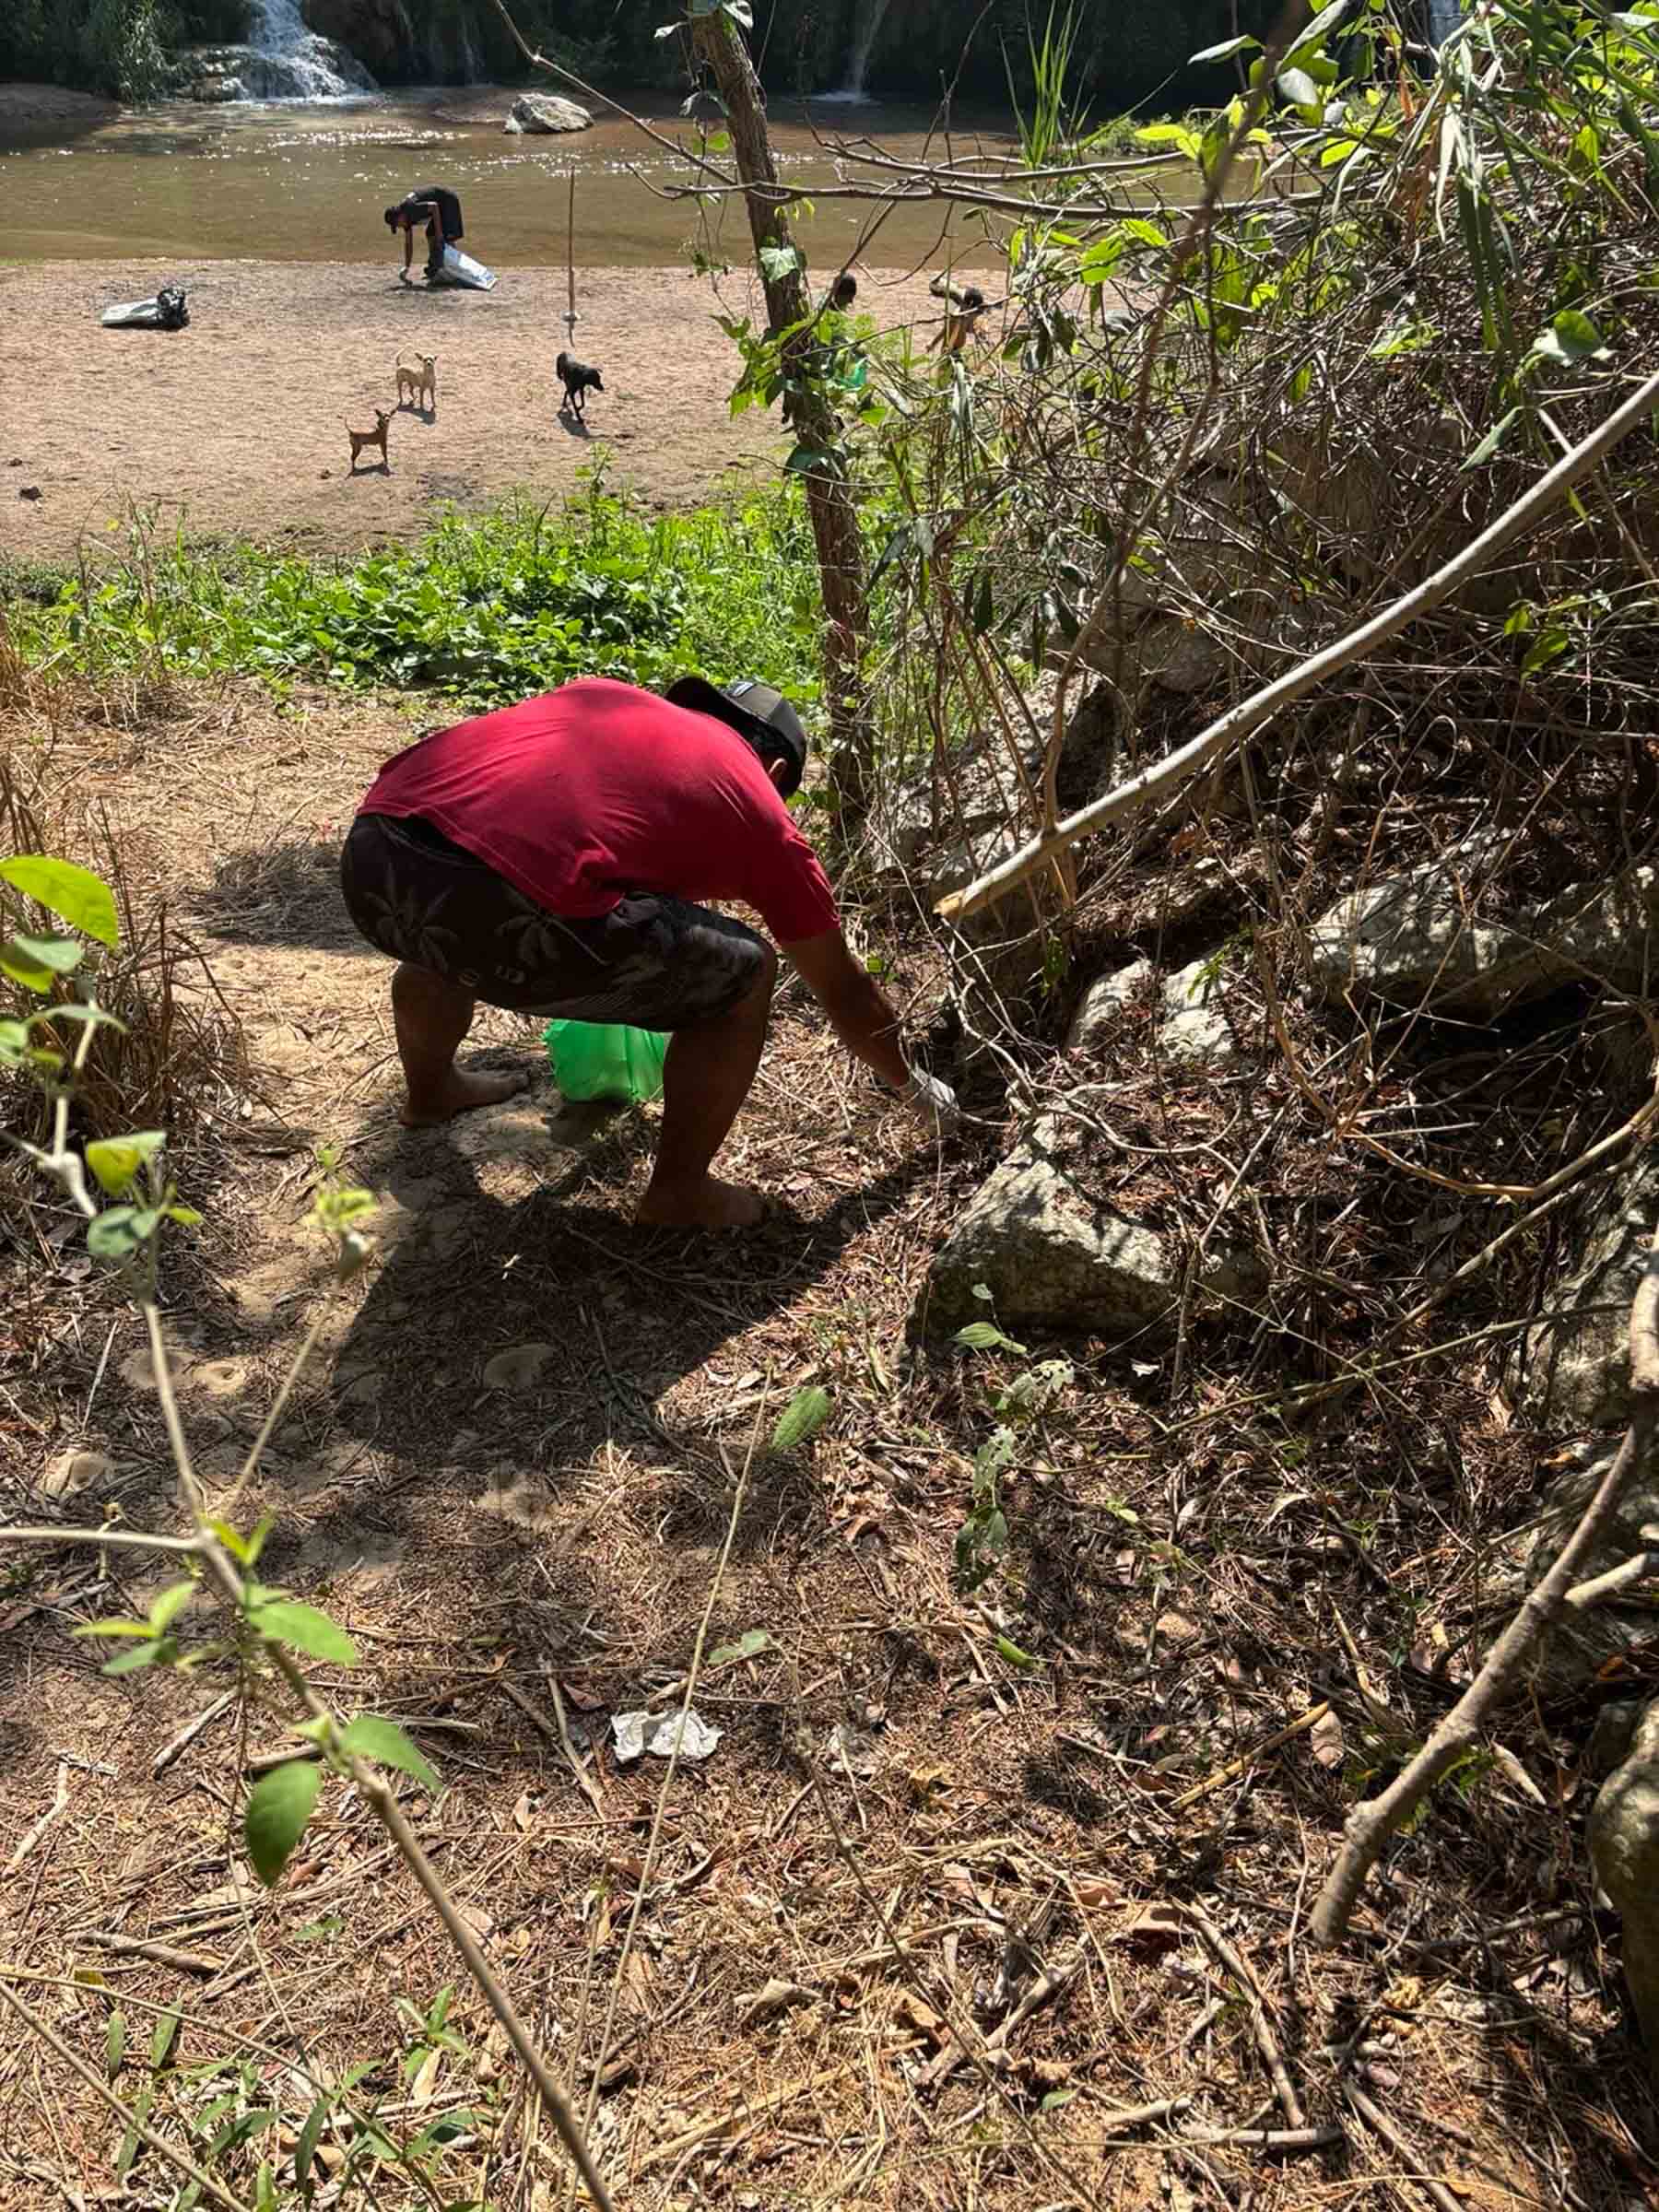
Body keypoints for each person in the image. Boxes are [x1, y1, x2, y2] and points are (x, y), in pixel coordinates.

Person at [339, 676, 959, 1230]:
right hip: (502, 903)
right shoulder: (760, 808)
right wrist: (914, 1086)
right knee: (747, 973)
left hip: (376, 856)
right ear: (774, 772)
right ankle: (680, 1193)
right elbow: (843, 990)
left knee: (452, 915)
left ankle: (430, 1092)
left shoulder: (603, 696)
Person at [385, 184, 465, 284]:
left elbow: (434, 206)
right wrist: (407, 267)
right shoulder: (405, 219)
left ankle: (453, 269)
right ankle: (435, 268)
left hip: (448, 200)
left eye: (397, 224)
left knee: (446, 238)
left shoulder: (410, 208)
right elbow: (408, 244)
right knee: (430, 234)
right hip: (439, 207)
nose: (399, 227)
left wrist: (439, 233)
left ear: (399, 216)